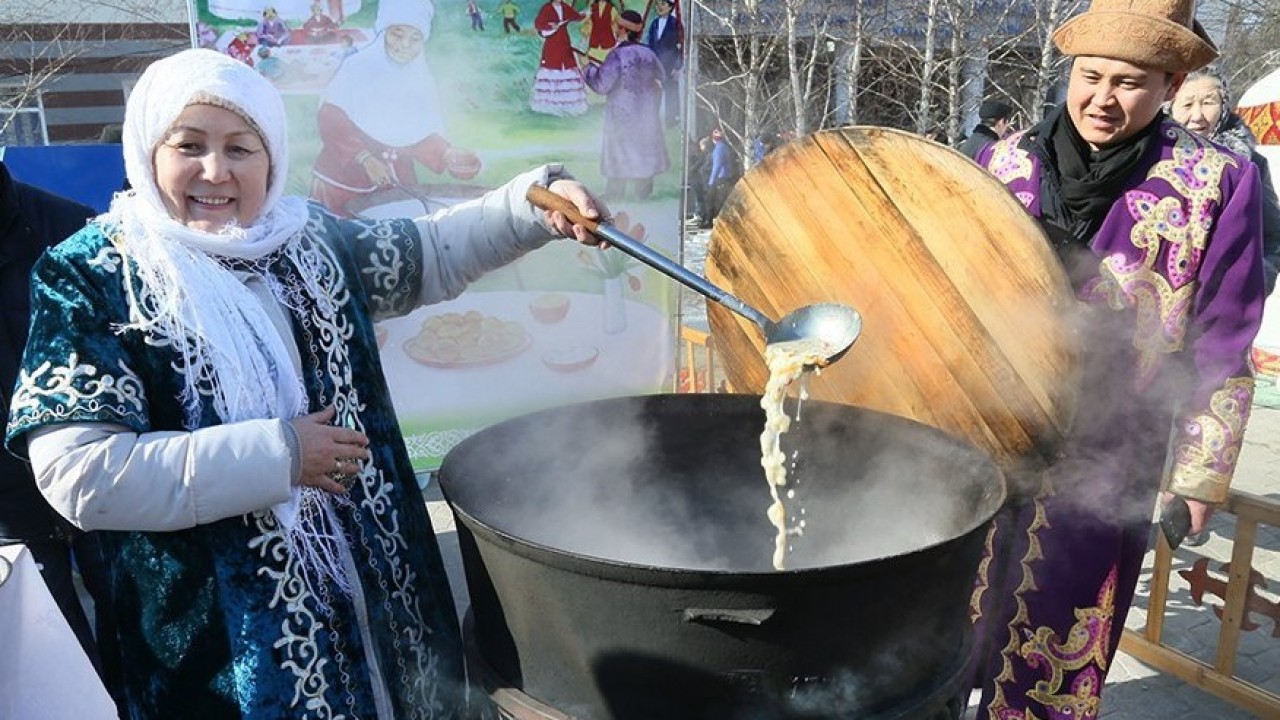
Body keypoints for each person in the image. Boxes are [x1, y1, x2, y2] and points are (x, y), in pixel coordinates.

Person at [3, 47, 604, 718]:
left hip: (384, 611)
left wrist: (531, 205)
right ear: (147, 150)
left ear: (272, 157)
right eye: (189, 145)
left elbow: (430, 250)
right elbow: (81, 474)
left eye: (240, 148)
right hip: (227, 653)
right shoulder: (96, 274)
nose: (215, 171)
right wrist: (279, 455)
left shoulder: (304, 240)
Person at [968, 1, 1265, 717]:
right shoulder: (1002, 162)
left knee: (1059, 629)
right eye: (1090, 76)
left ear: (1169, 85)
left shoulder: (1216, 181)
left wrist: (1198, 476)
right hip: (982, 430)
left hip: (1111, 448)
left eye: (1128, 83)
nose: (1102, 98)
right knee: (946, 622)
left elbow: (1222, 336)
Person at [0, 160, 119, 699]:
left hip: (102, 486)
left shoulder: (69, 227)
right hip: (9, 520)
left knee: (143, 662)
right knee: (51, 685)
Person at [311, 0, 481, 216]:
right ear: (384, 34)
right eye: (397, 35)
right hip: (344, 184)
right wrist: (365, 158)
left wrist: (447, 154)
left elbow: (417, 134)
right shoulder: (356, 69)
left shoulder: (420, 78)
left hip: (397, 183)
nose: (405, 45)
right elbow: (331, 120)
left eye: (415, 38)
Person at [1170, 70, 1280, 297]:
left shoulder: (1250, 165)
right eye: (1187, 104)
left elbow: (1272, 235)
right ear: (1169, 106)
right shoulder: (1149, 158)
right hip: (1151, 299)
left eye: (1208, 103)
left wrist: (1255, 284)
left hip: (1223, 299)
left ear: (1223, 106)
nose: (1197, 116)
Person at [583, 10, 669, 201]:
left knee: (618, 153)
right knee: (644, 150)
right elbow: (661, 76)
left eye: (616, 25)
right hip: (645, 113)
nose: (614, 28)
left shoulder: (617, 55)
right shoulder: (649, 53)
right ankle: (643, 193)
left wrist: (589, 69)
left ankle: (615, 193)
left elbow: (602, 85)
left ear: (623, 30)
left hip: (621, 114)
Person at [531, 0, 588, 116]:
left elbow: (576, 16)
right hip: (552, 43)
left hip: (564, 41)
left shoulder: (565, 7)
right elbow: (538, 24)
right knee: (552, 68)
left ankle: (569, 107)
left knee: (568, 67)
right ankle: (550, 107)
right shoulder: (547, 8)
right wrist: (550, 26)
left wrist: (585, 14)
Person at [645, 0, 683, 127]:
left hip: (670, 66)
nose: (659, 7)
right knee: (654, 93)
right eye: (657, 4)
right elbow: (651, 44)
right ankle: (653, 120)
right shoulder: (654, 24)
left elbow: (680, 46)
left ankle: (671, 121)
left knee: (671, 93)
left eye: (663, 4)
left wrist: (677, 67)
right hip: (656, 65)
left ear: (670, 7)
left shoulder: (676, 24)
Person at [701, 128, 737, 228]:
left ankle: (710, 221)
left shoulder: (718, 149)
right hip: (727, 178)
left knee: (715, 201)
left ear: (714, 139)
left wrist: (711, 182)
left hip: (721, 178)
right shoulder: (725, 147)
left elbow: (717, 166)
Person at [584, 0, 618, 64]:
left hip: (608, 42)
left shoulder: (612, 8)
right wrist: (586, 33)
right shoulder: (592, 7)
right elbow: (587, 22)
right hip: (594, 42)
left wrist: (615, 34)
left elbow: (615, 25)